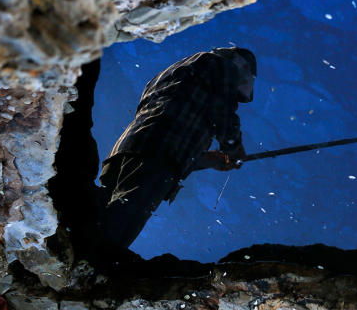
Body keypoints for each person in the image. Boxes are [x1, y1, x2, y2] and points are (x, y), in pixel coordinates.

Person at [97, 47, 256, 249]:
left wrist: (204, 160)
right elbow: (221, 109)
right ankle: (92, 270)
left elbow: (177, 114)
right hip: (161, 155)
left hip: (128, 149)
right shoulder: (223, 65)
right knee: (120, 226)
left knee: (99, 216)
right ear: (241, 64)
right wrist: (233, 146)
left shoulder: (174, 71)